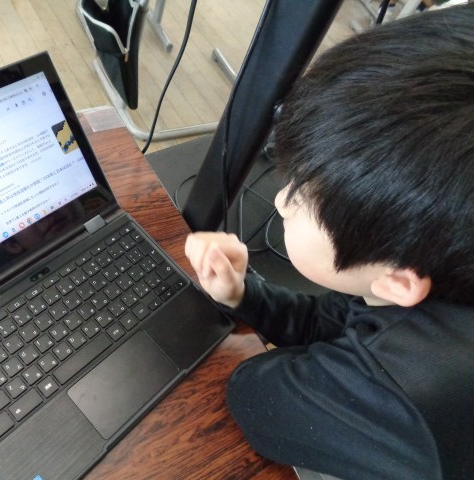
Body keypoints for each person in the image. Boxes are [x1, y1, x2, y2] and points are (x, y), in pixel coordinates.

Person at [184, 4, 474, 480]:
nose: (280, 200)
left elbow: (255, 396)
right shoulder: (432, 268)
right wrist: (243, 294)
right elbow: (334, 322)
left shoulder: (399, 394)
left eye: (301, 198)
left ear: (399, 282)